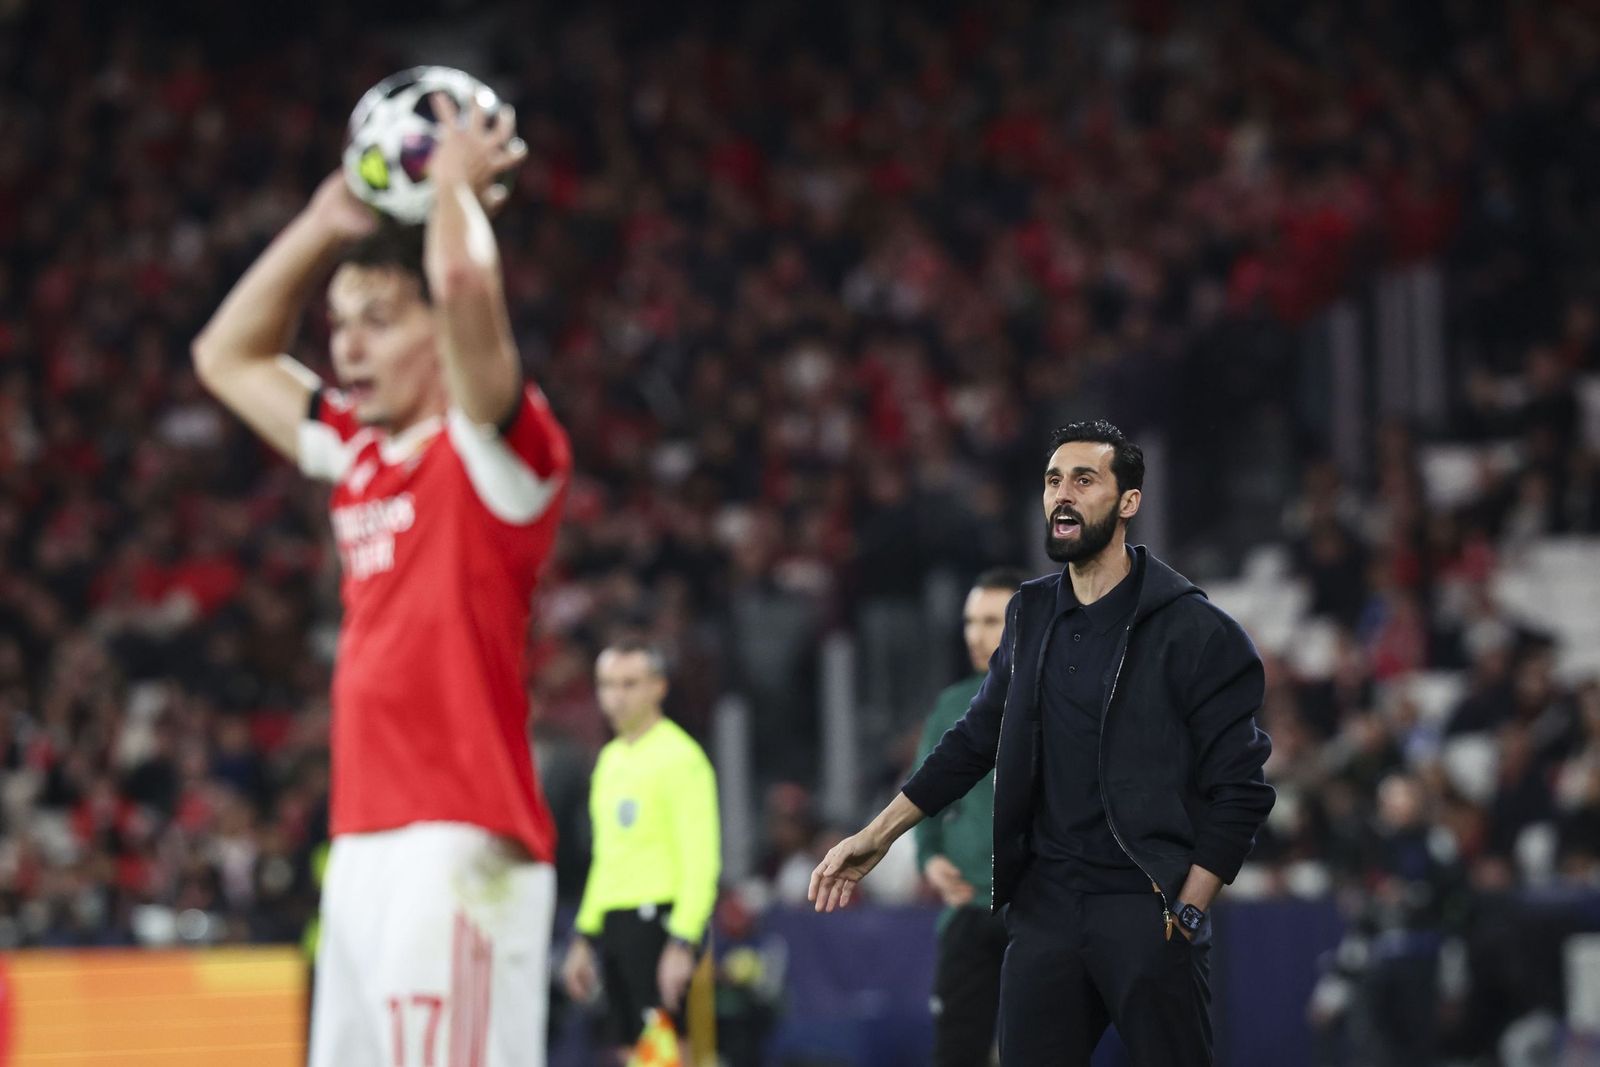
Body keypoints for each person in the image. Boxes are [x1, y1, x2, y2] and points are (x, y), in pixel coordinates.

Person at [192, 96, 567, 1067]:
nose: (347, 347)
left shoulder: (497, 452)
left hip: (464, 838)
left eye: (379, 321)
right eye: (338, 324)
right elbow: (223, 356)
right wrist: (321, 224)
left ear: (438, 334)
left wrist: (450, 190)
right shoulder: (358, 449)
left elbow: (464, 286)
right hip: (361, 838)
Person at [810, 420, 1276, 1067]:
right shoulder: (1028, 614)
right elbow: (974, 739)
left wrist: (1188, 913)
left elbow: (1243, 791)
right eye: (1054, 479)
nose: (1063, 494)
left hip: (1146, 907)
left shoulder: (1198, 632)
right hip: (1044, 911)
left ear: (1128, 501)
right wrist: (879, 833)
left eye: (1085, 480)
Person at [560, 641, 721, 1062]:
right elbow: (607, 857)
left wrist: (683, 942)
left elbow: (701, 860)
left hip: (661, 921)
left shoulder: (681, 758)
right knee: (632, 1051)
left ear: (658, 687)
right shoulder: (609, 761)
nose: (616, 695)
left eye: (629, 683)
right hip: (616, 923)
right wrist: (584, 935)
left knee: (667, 1051)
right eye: (607, 684)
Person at [915, 566, 1028, 1067]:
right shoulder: (953, 705)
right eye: (969, 621)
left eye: (990, 621)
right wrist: (929, 858)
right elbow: (923, 797)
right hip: (966, 911)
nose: (975, 635)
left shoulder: (1059, 698)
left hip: (1038, 910)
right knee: (954, 1053)